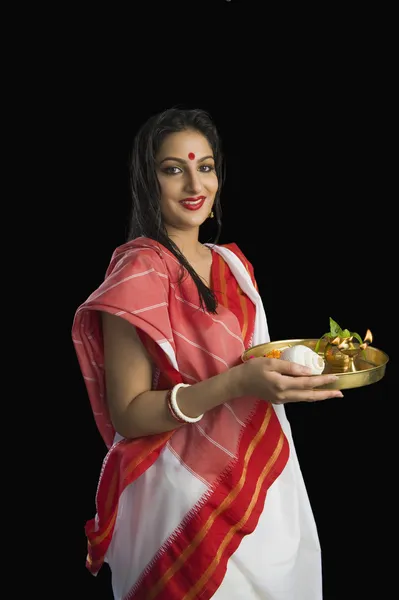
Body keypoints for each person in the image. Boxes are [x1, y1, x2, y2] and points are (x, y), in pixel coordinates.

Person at [72, 107, 343, 600]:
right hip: (179, 503)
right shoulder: (139, 273)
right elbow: (129, 415)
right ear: (147, 181)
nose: (194, 183)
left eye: (206, 166)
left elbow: (256, 360)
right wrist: (240, 384)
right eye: (173, 168)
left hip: (261, 482)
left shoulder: (233, 264)